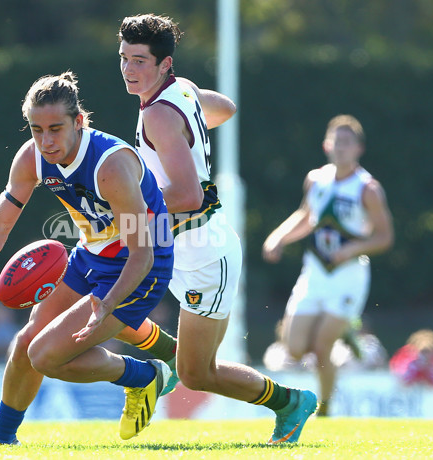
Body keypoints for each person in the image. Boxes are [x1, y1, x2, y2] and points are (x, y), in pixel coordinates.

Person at [113, 14, 317, 444]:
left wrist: (128, 204)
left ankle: (289, 402)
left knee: (197, 373)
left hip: (204, 255)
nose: (129, 70)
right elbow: (226, 107)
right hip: (175, 246)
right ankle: (159, 364)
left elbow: (187, 197)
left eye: (139, 61)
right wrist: (190, 124)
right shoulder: (180, 90)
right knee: (106, 295)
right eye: (124, 58)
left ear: (164, 63)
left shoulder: (159, 116)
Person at [0, 71, 174, 445]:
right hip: (91, 255)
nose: (45, 141)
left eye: (55, 128)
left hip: (143, 264)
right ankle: (2, 438)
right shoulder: (31, 158)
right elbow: (0, 223)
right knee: (25, 343)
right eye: (36, 129)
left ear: (78, 122)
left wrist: (108, 301)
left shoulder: (110, 165)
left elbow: (143, 253)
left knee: (45, 356)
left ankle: (145, 377)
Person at [263, 114, 394, 416]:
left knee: (322, 346)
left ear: (359, 148)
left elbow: (385, 237)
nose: (341, 147)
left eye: (347, 142)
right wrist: (278, 238)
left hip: (349, 277)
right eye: (336, 141)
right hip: (315, 273)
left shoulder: (368, 189)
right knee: (293, 349)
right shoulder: (316, 179)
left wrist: (353, 250)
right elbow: (306, 216)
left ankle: (324, 407)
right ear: (326, 145)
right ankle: (343, 334)